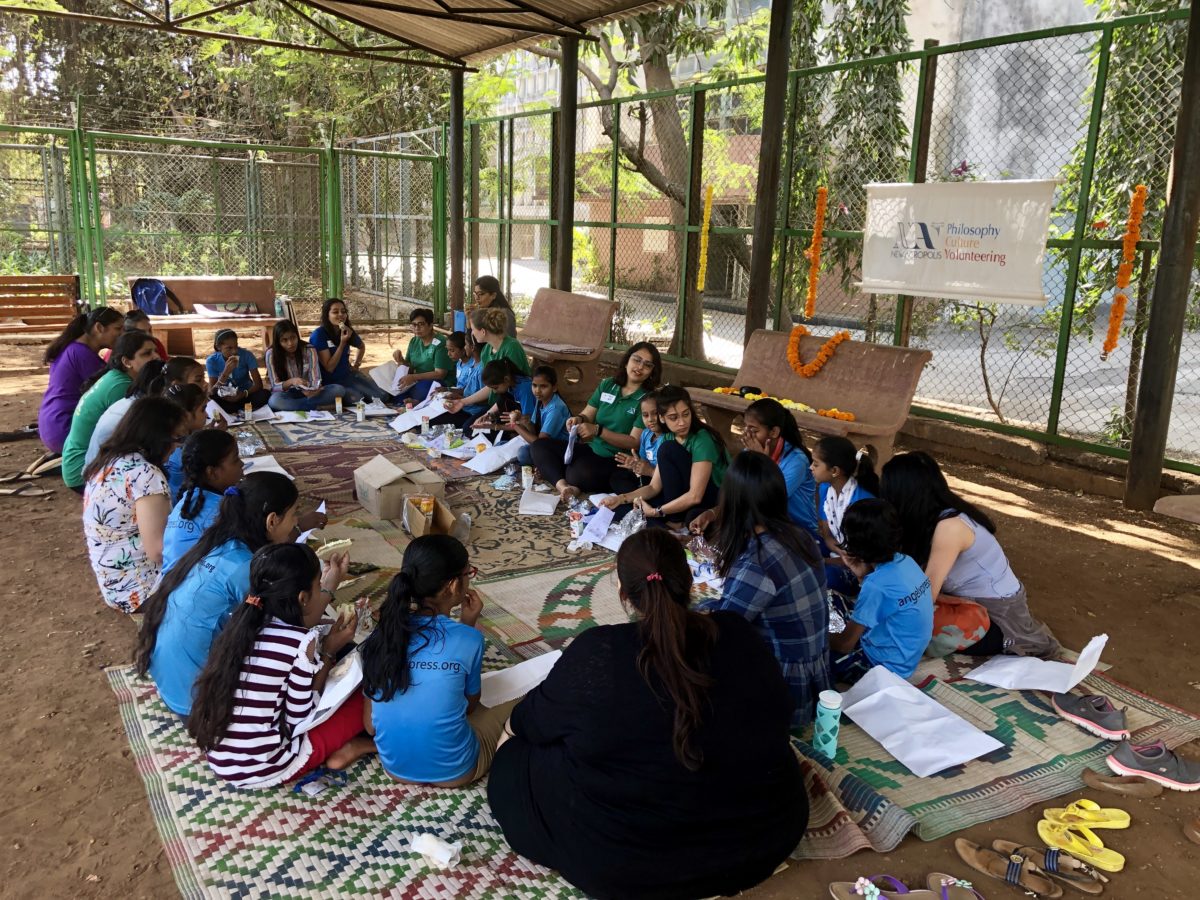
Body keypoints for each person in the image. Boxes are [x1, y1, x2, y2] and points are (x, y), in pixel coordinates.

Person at [488, 529, 807, 900]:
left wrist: (511, 735)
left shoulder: (600, 654)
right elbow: (778, 714)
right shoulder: (738, 633)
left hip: (626, 863)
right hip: (762, 841)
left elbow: (530, 723)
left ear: (622, 592)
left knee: (515, 756)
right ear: (689, 582)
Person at [134, 472, 322, 718]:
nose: (296, 520)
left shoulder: (220, 543)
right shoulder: (246, 568)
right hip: (200, 707)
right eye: (294, 513)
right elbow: (295, 626)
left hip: (174, 688)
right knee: (318, 661)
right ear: (272, 521)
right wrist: (328, 587)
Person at [189, 544, 375, 787]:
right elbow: (301, 718)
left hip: (221, 760)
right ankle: (358, 746)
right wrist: (329, 651)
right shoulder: (300, 642)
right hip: (266, 766)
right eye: (318, 586)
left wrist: (330, 584)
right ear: (302, 598)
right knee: (366, 695)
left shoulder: (241, 625)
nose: (321, 591)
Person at [361, 535, 518, 787]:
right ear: (453, 585)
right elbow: (469, 707)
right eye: (469, 573)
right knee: (524, 699)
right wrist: (467, 625)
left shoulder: (381, 637)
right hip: (458, 771)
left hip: (395, 768)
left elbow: (370, 726)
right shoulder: (469, 639)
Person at [881, 451, 1060, 659]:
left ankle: (1006, 641)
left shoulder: (950, 528)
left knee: (900, 622)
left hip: (997, 617)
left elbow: (924, 596)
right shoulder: (937, 517)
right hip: (976, 604)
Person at [697, 451, 832, 726]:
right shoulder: (800, 536)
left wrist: (693, 613)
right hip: (816, 674)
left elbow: (722, 628)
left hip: (785, 686)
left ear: (732, 502)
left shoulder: (758, 561)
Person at [82, 397, 188, 614]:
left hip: (115, 585)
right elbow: (159, 551)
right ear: (157, 437)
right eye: (176, 438)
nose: (177, 446)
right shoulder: (146, 475)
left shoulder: (110, 460)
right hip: (142, 591)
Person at [527, 342, 662, 500]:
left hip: (617, 459)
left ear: (652, 372)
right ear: (627, 361)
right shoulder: (608, 384)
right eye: (636, 360)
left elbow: (634, 442)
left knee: (578, 472)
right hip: (592, 448)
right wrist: (577, 419)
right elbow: (587, 414)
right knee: (539, 446)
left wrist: (598, 431)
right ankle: (563, 486)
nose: (640, 367)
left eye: (647, 365)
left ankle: (566, 478)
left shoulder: (647, 400)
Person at [828, 499, 934, 685]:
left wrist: (816, 637)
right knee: (832, 597)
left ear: (855, 544)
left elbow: (845, 645)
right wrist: (862, 576)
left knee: (814, 656)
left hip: (882, 668)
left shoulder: (877, 585)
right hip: (906, 658)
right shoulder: (906, 561)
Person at [602, 385, 728, 528]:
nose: (682, 422)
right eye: (673, 417)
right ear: (662, 418)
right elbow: (654, 487)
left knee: (689, 517)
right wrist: (621, 499)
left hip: (712, 497)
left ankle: (674, 522)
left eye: (686, 414)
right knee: (621, 509)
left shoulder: (702, 440)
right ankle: (670, 523)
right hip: (683, 494)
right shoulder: (669, 437)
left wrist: (657, 512)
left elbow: (695, 496)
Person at [61, 331, 160, 492]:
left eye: (155, 351)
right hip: (83, 470)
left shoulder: (116, 377)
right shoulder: (121, 387)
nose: (156, 357)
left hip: (79, 462)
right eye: (147, 353)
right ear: (126, 362)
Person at [37, 306, 123, 456]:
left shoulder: (72, 348)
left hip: (52, 424)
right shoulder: (82, 354)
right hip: (65, 428)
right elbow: (113, 390)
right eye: (118, 329)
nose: (122, 334)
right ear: (99, 327)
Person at [162, 429, 243, 571]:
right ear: (212, 472)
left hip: (169, 580)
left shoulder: (188, 499)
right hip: (189, 580)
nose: (242, 464)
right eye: (236, 460)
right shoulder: (222, 512)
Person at [811, 436, 879, 595]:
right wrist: (839, 553)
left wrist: (823, 561)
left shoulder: (862, 503)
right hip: (840, 552)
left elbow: (862, 562)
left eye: (816, 464)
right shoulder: (825, 489)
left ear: (834, 471)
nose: (810, 467)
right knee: (800, 540)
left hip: (858, 569)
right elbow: (827, 535)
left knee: (821, 576)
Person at [309, 298, 391, 405]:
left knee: (383, 396)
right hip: (331, 382)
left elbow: (361, 346)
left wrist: (356, 365)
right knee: (358, 400)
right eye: (335, 312)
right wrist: (342, 344)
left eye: (343, 311)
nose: (340, 315)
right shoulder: (319, 335)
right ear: (327, 315)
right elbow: (329, 368)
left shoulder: (346, 330)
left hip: (348, 376)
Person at [264, 319, 345, 412]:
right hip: (287, 394)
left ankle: (297, 405)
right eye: (284, 340)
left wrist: (314, 390)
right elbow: (275, 386)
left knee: (338, 390)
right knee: (274, 401)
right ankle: (318, 407)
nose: (290, 343)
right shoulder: (271, 354)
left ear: (297, 336)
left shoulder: (309, 349)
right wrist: (291, 381)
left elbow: (315, 378)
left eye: (293, 338)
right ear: (278, 342)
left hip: (309, 393)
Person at [507, 365, 570, 464]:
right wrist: (525, 422)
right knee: (504, 444)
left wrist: (514, 425)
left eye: (543, 386)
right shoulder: (540, 400)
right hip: (545, 444)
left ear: (554, 388)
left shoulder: (556, 408)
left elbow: (540, 443)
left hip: (562, 449)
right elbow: (533, 431)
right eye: (534, 385)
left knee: (523, 453)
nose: (537, 390)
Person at [391, 308, 453, 403]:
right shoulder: (414, 341)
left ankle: (416, 400)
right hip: (417, 380)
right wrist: (401, 360)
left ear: (430, 325)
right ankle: (413, 399)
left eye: (421, 324)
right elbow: (409, 368)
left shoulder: (440, 342)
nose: (417, 328)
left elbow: (440, 374)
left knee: (423, 390)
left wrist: (414, 377)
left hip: (437, 381)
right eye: (414, 324)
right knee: (396, 393)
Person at [161, 382, 210, 500]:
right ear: (186, 416)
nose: (207, 414)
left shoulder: (171, 440)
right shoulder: (183, 452)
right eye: (203, 410)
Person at [468, 360, 537, 444]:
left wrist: (496, 426)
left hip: (529, 430)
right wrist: (488, 415)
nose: (494, 392)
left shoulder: (524, 389)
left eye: (495, 388)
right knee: (472, 430)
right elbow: (502, 403)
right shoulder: (510, 384)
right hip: (515, 424)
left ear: (506, 379)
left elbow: (527, 422)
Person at [429, 331, 484, 430]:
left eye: (466, 345)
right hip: (463, 405)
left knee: (435, 420)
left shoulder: (478, 368)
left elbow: (484, 399)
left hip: (471, 411)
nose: (448, 354)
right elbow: (467, 390)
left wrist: (458, 396)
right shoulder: (463, 364)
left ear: (471, 348)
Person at [206, 329, 270, 414]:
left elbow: (258, 385)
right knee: (212, 400)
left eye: (236, 346)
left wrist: (243, 394)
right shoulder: (212, 361)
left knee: (265, 394)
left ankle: (237, 409)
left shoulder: (247, 355)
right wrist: (226, 372)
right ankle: (241, 409)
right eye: (229, 348)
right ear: (218, 347)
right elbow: (212, 391)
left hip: (246, 394)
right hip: (226, 398)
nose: (234, 351)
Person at [612, 391, 663, 494]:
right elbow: (644, 463)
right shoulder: (646, 434)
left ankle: (639, 498)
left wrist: (650, 471)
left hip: (661, 481)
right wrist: (635, 465)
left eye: (655, 413)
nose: (650, 419)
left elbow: (670, 476)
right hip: (648, 477)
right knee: (617, 477)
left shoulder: (668, 439)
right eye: (645, 415)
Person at [102, 309, 168, 362]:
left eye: (150, 330)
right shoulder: (115, 353)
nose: (149, 335)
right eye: (142, 332)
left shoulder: (156, 343)